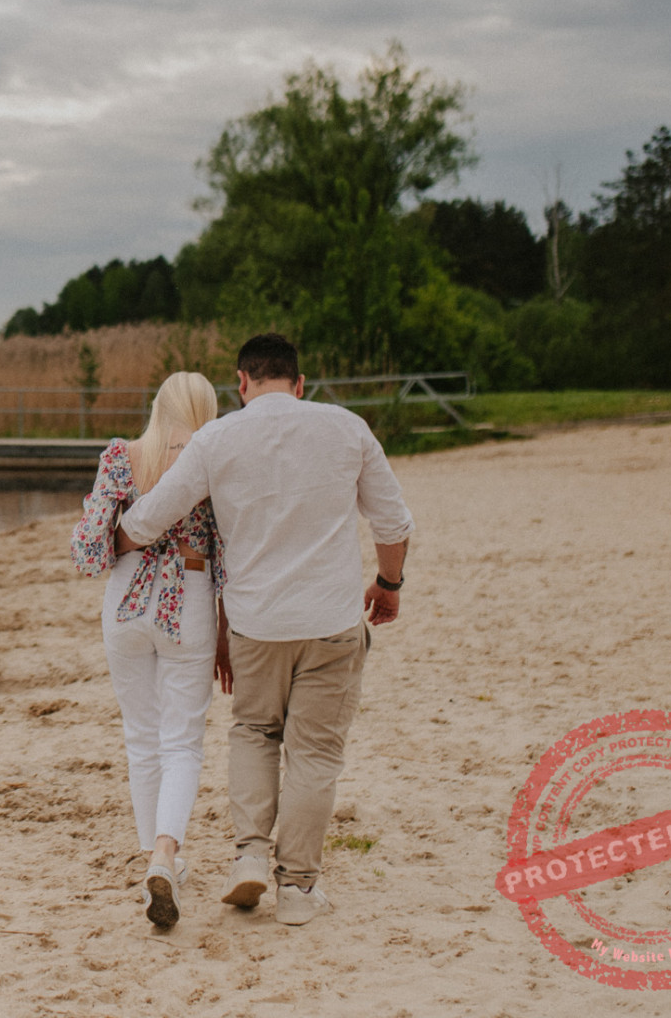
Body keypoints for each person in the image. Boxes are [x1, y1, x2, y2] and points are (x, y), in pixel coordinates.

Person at [115, 333, 413, 927]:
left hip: (255, 624)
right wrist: (388, 583)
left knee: (254, 731)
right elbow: (393, 520)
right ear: (300, 384)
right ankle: (298, 889)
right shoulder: (347, 428)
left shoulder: (218, 437)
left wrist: (113, 544)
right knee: (314, 752)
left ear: (242, 383)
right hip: (330, 620)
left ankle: (250, 854)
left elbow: (153, 516)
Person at [70, 371, 228, 931]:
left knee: (141, 735)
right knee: (181, 740)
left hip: (126, 604)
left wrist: (120, 534)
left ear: (158, 407)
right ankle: (165, 852)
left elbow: (89, 550)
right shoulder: (214, 463)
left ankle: (153, 863)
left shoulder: (120, 455)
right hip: (187, 599)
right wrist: (227, 633)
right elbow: (226, 552)